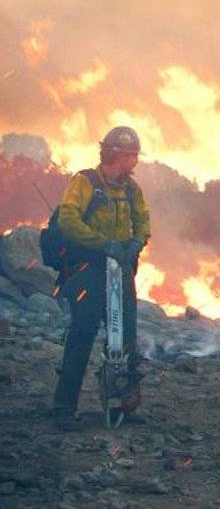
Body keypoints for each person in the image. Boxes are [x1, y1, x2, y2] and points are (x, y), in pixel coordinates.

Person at [50, 126, 151, 431]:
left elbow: (143, 220)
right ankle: (64, 407)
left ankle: (123, 404)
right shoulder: (85, 183)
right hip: (89, 270)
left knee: (125, 339)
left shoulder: (132, 190)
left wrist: (138, 241)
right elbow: (68, 220)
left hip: (121, 268)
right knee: (82, 334)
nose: (134, 163)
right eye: (129, 157)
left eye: (135, 157)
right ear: (112, 155)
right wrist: (101, 244)